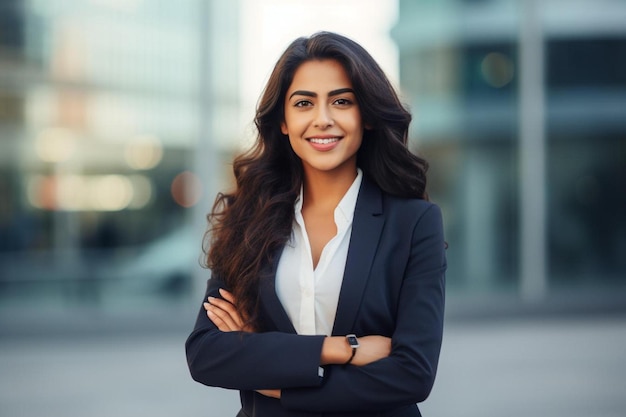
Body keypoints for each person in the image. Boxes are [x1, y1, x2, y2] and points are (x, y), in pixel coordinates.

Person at [186, 31, 446, 417]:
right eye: (304, 103)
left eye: (341, 101)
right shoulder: (248, 217)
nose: (322, 119)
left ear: (367, 117)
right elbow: (206, 353)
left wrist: (270, 372)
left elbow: (412, 374)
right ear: (285, 122)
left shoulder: (414, 223)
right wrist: (342, 348)